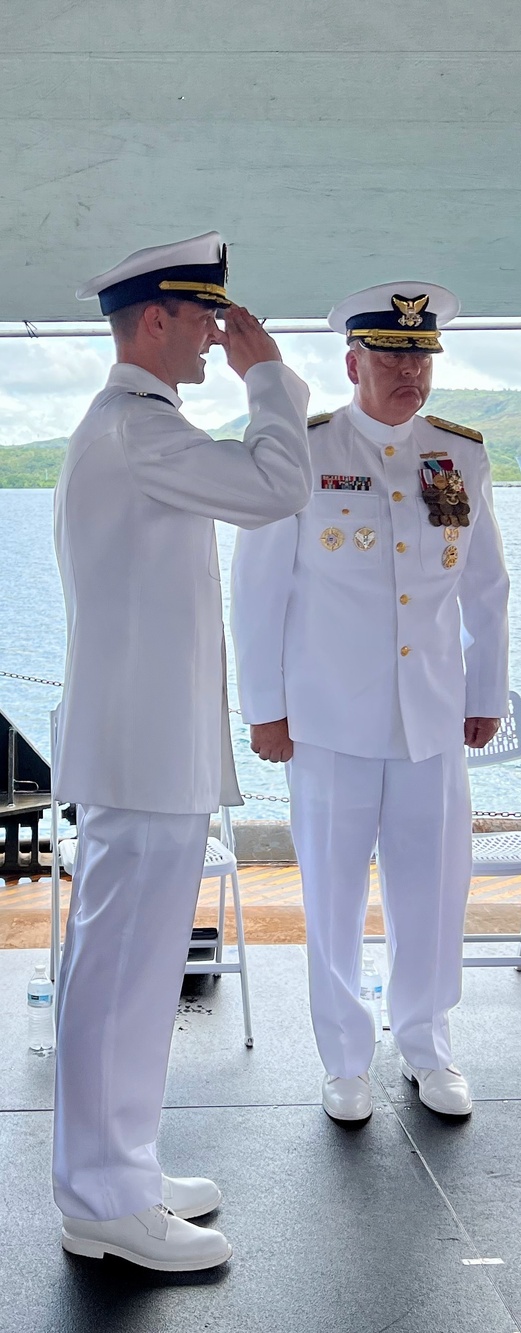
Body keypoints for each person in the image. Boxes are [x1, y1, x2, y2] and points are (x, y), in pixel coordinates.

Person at [53, 232, 312, 1271]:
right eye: (203, 316)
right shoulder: (132, 428)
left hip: (147, 747)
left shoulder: (138, 426)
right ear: (152, 320)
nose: (218, 331)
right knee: (120, 975)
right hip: (138, 752)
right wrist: (272, 382)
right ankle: (103, 1198)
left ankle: (122, 1166)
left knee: (137, 971)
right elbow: (276, 487)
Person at [231, 283, 509, 1123]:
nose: (408, 371)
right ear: (352, 362)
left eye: (420, 356)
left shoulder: (459, 454)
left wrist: (485, 687)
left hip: (431, 716)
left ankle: (427, 1043)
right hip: (328, 720)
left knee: (433, 890)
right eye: (390, 355)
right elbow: (258, 589)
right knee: (334, 893)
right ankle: (346, 1057)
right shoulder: (305, 451)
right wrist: (264, 708)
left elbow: (488, 587)